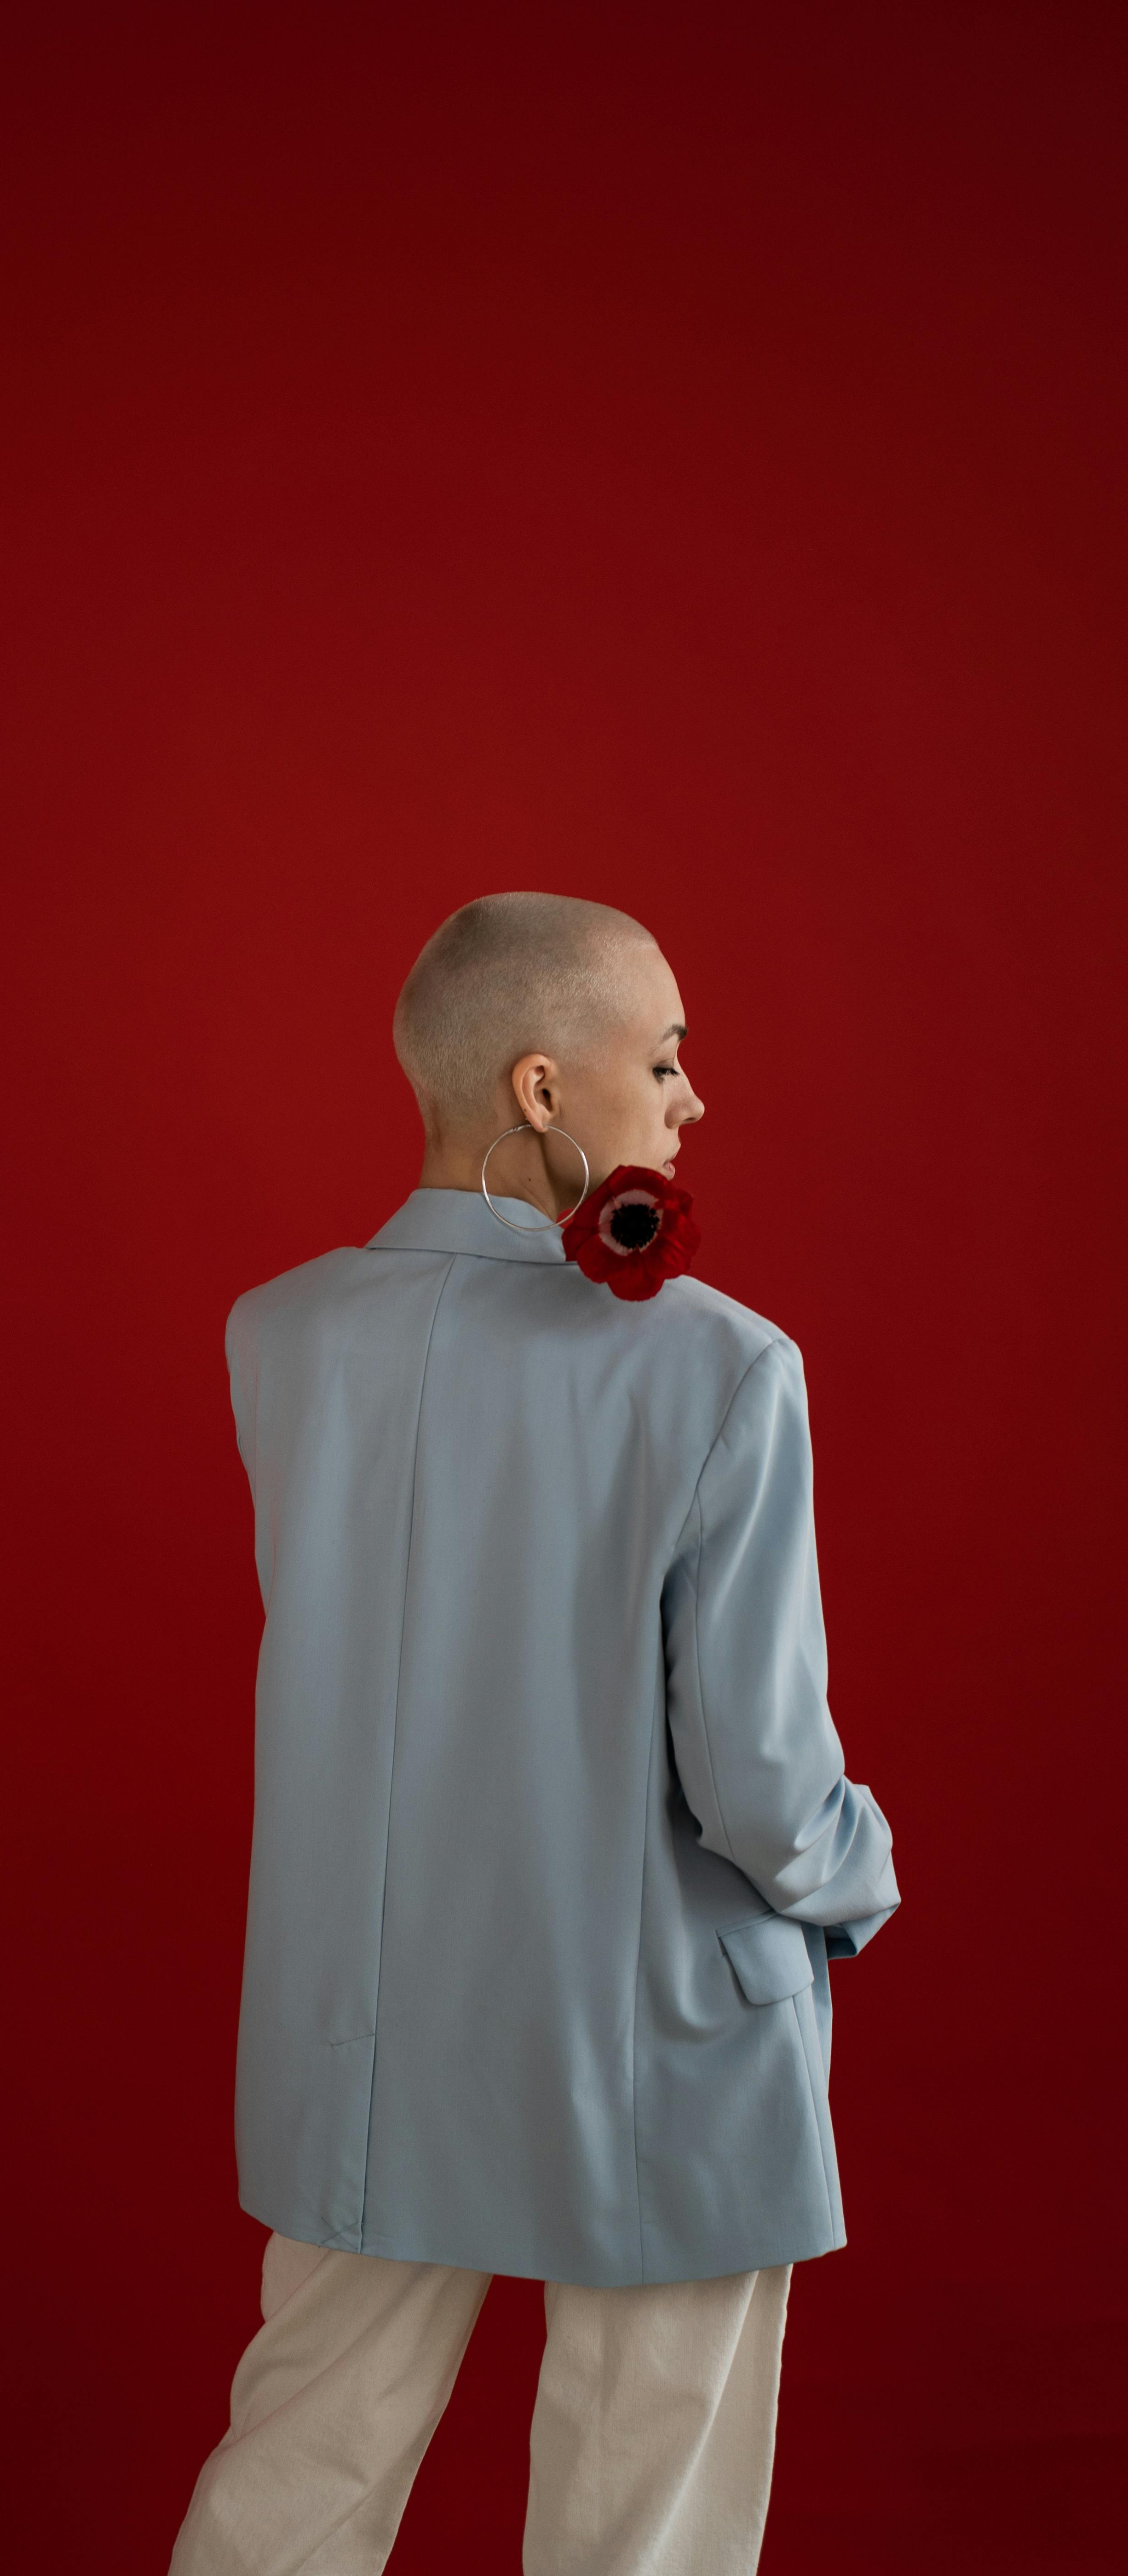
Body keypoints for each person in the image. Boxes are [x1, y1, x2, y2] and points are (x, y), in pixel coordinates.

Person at [168, 892, 899, 2576]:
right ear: (545, 1090)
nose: (691, 1099)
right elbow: (761, 1780)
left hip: (363, 2029)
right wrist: (858, 1872)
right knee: (639, 2523)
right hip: (654, 2029)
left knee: (300, 2468)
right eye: (663, 1057)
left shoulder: (280, 1338)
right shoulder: (720, 1368)